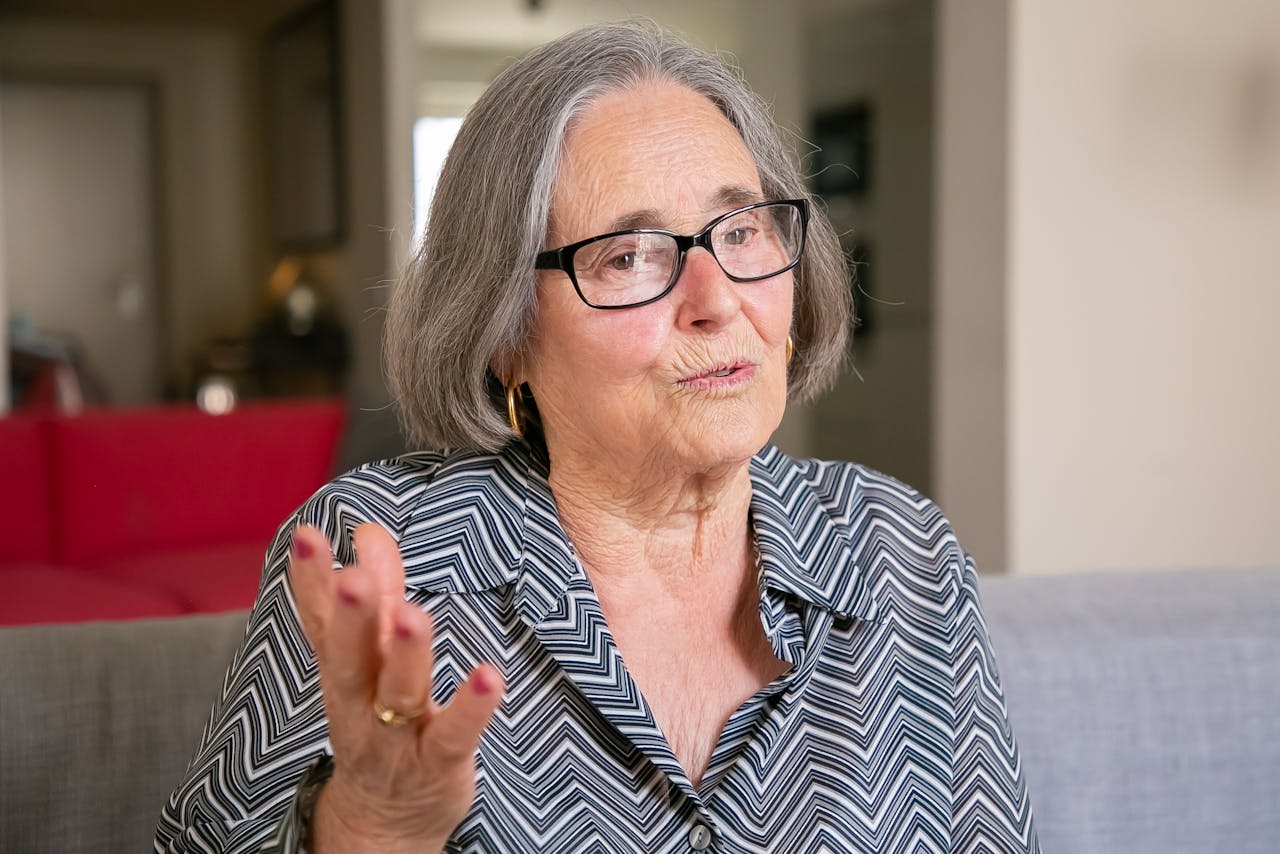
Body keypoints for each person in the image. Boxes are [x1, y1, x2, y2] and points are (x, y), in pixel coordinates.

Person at [156, 20, 1038, 853]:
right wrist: (370, 830)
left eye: (741, 231)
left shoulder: (901, 551)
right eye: (629, 256)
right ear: (505, 333)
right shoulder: (387, 557)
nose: (717, 299)